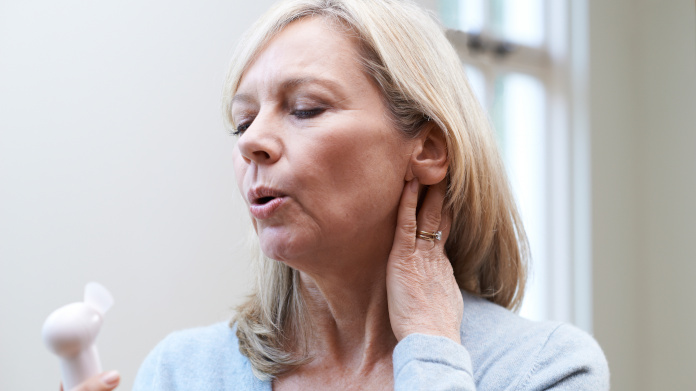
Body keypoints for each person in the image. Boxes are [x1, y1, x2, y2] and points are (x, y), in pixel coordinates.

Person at [67, 0, 609, 390]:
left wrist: (432, 354)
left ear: (428, 149)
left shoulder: (544, 369)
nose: (252, 141)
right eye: (242, 122)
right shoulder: (181, 372)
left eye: (305, 108)